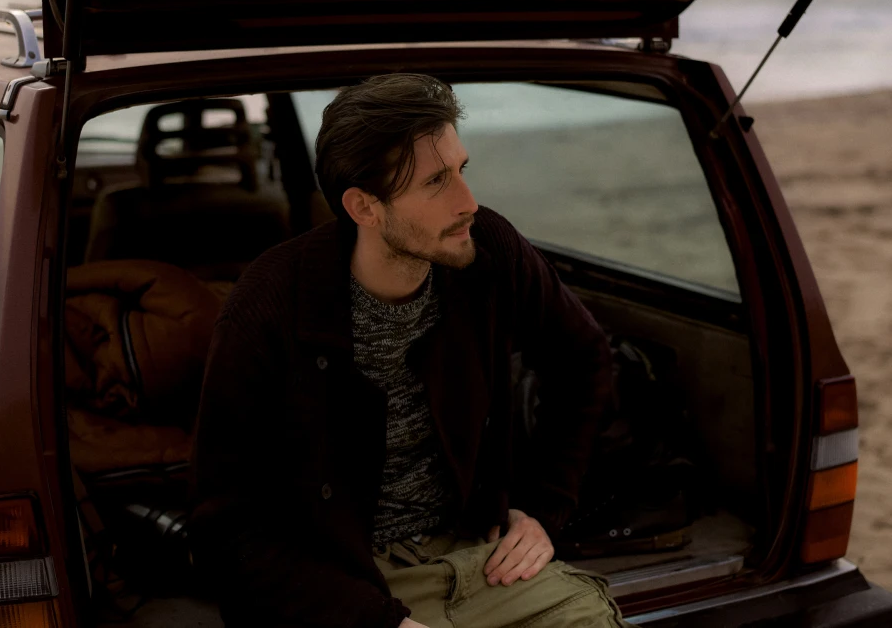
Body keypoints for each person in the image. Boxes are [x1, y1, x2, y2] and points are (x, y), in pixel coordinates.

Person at [190, 74, 629, 627]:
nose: (467, 202)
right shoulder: (270, 304)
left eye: (462, 170)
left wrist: (545, 507)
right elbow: (227, 529)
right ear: (365, 208)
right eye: (436, 182)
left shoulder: (488, 250)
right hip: (338, 584)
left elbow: (584, 359)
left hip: (478, 558)